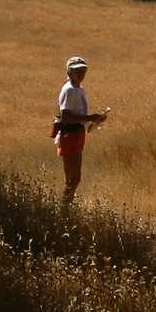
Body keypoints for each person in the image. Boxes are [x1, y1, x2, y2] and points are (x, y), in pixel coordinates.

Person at [54, 56, 107, 204]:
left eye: (83, 70)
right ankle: (63, 208)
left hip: (77, 133)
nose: (81, 74)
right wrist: (90, 117)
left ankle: (65, 206)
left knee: (74, 178)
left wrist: (95, 119)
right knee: (73, 178)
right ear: (70, 72)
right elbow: (66, 117)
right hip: (69, 134)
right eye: (78, 71)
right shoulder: (69, 90)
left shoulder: (79, 89)